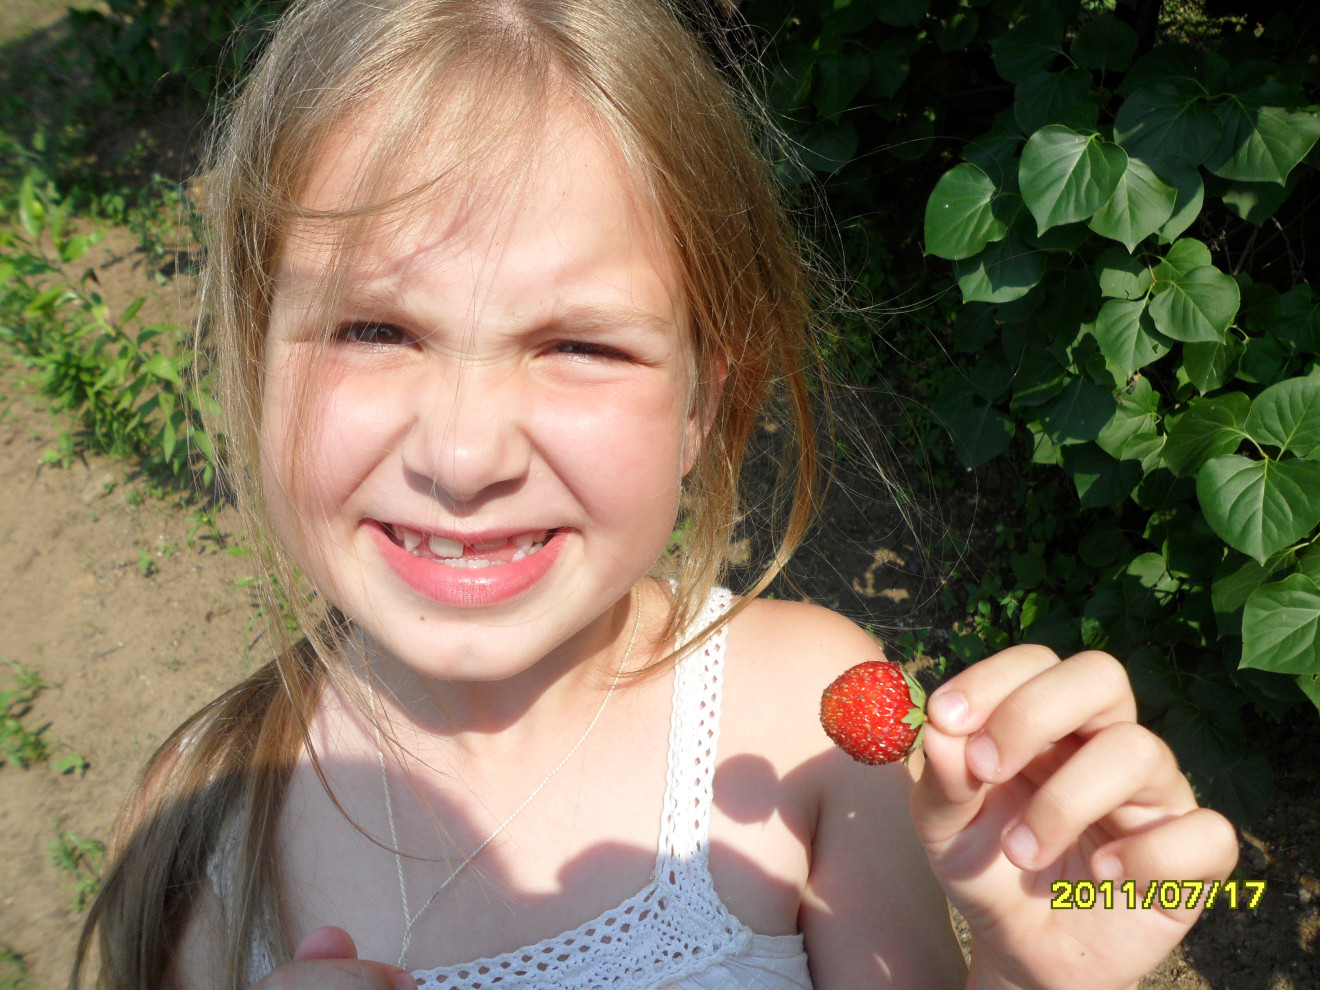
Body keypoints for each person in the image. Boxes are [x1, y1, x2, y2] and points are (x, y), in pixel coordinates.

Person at [75, 2, 1239, 988]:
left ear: (700, 401)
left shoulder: (805, 728)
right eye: (373, 330)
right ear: (253, 354)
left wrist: (1042, 976)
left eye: (579, 345)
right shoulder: (200, 824)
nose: (465, 455)